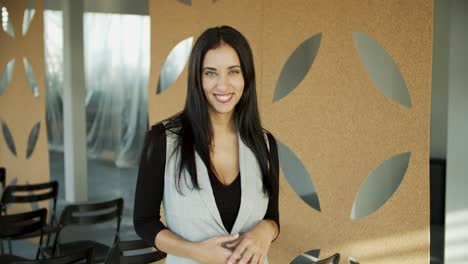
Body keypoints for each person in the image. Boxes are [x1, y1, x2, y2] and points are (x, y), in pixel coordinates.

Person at [133, 25, 280, 264]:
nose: (223, 85)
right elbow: (144, 222)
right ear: (197, 78)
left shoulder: (265, 144)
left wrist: (265, 231)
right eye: (211, 73)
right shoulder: (162, 140)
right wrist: (198, 252)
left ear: (246, 77)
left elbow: (272, 217)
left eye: (233, 72)